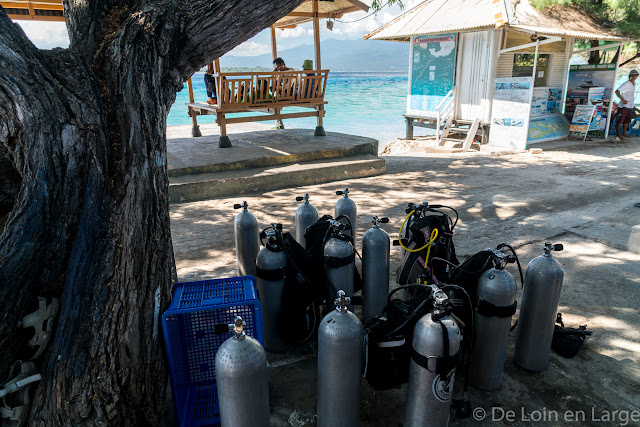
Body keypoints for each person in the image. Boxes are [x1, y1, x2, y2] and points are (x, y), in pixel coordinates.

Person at [614, 69, 639, 141]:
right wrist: (622, 99)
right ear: (630, 76)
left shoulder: (634, 83)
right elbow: (617, 91)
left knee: (627, 121)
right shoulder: (626, 84)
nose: (635, 76)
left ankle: (624, 133)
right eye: (633, 75)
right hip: (623, 106)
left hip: (630, 106)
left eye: (636, 75)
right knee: (620, 121)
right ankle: (618, 134)